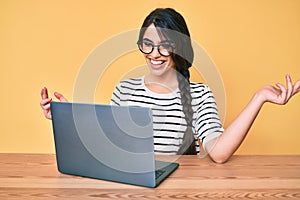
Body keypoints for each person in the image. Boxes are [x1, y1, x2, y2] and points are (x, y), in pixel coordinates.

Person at [40, 8, 300, 163]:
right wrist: (67, 119)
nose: (154, 53)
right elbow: (105, 148)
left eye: (164, 45)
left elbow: (219, 153)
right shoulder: (124, 90)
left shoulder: (199, 95)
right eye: (147, 43)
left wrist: (259, 97)